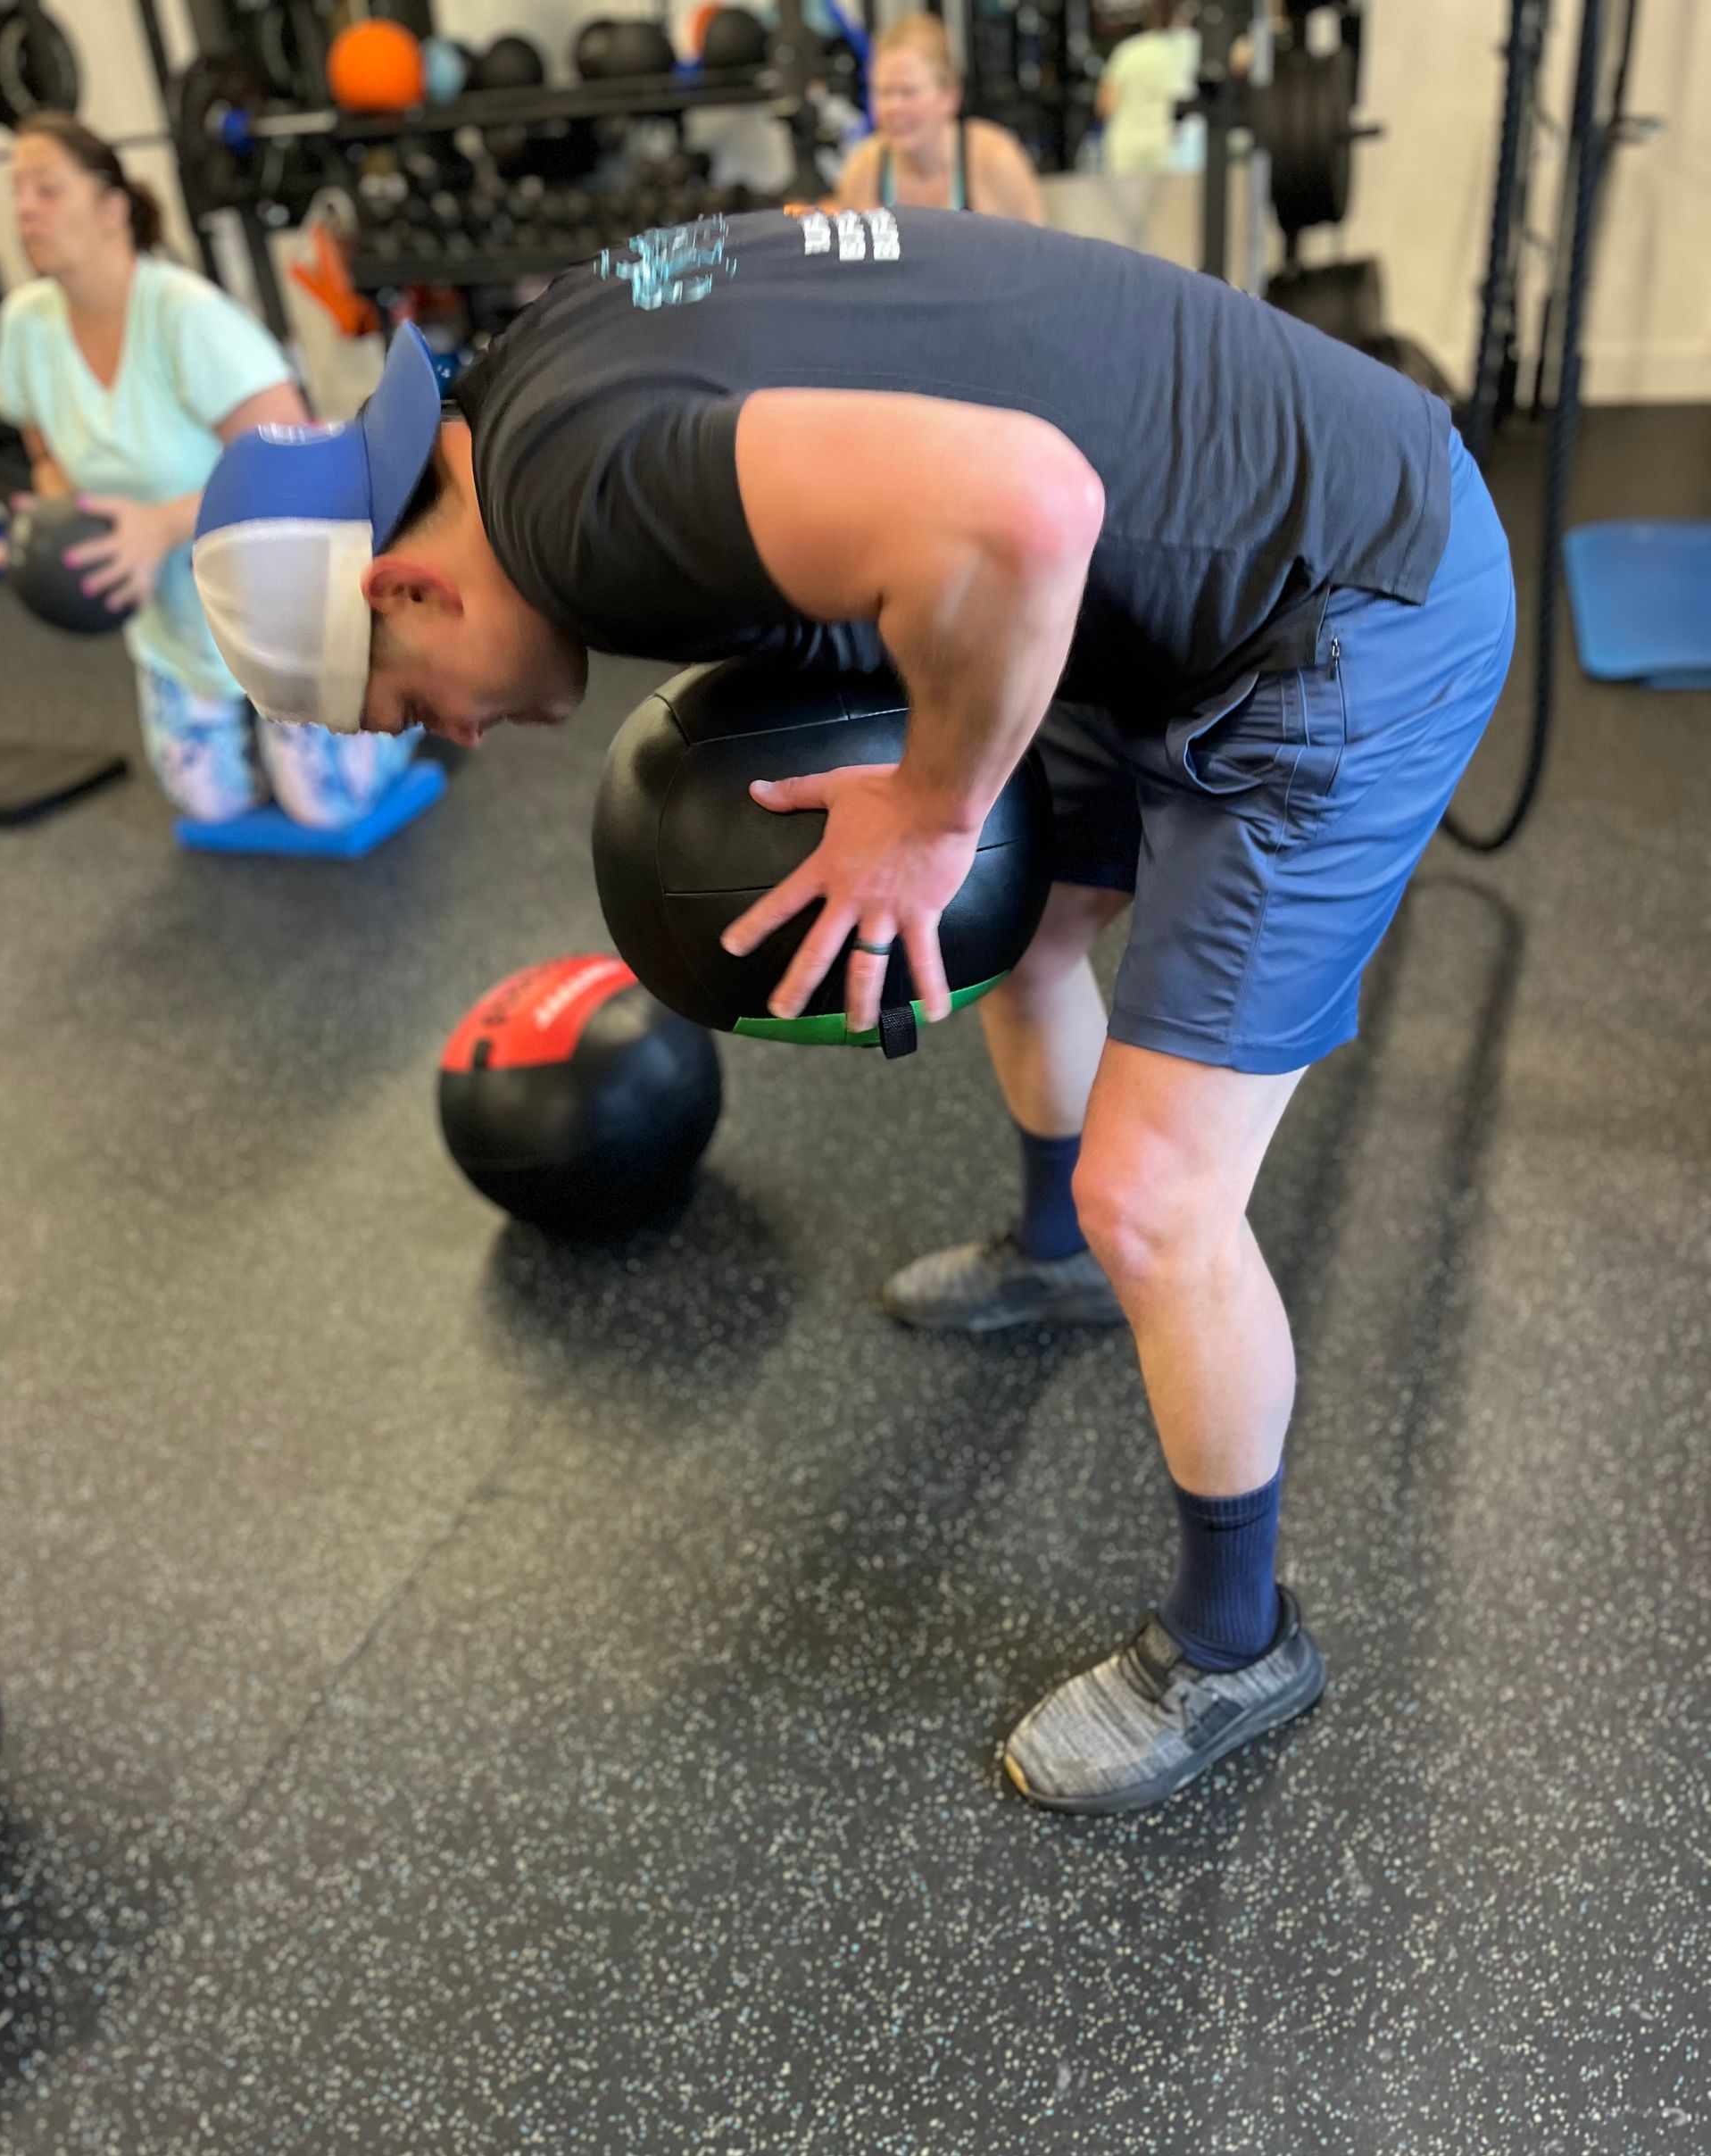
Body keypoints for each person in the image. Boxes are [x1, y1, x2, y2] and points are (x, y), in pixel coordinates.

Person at [190, 205, 1515, 1815]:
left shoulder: (581, 509)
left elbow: (1027, 507)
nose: (449, 736)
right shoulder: (524, 393)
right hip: (1180, 569)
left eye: (405, 703)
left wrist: (937, 814)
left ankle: (1237, 1643)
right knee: (1030, 931)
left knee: (1159, 1198)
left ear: (406, 584)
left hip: (1348, 595)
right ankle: (1054, 1256)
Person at [0, 116, 416, 829]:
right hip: (174, 616)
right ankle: (249, 718)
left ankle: (395, 689)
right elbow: (46, 457)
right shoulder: (25, 324)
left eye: (48, 189)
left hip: (281, 605)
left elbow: (296, 468)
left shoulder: (186, 318)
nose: (25, 209)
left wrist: (159, 527)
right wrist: (56, 531)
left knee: (325, 807)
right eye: (17, 192)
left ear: (112, 207)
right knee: (211, 803)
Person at [831, 15, 1045, 224]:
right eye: (884, 92)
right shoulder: (862, 170)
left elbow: (1038, 246)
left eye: (908, 92)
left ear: (950, 96)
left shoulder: (996, 160)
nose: (893, 108)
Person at [1094, 1, 1203, 243]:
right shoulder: (1192, 46)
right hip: (1173, 148)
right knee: (1173, 226)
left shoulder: (1129, 50)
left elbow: (1105, 104)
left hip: (1126, 146)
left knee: (1128, 229)